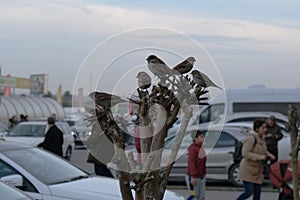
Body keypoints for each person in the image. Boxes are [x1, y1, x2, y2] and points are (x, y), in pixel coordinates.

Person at [236, 119, 275, 200]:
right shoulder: (251, 138)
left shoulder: (262, 139)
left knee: (257, 192)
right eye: (263, 128)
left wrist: (269, 155)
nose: (265, 130)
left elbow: (264, 150)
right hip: (248, 169)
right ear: (257, 129)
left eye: (265, 128)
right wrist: (260, 157)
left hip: (257, 170)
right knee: (249, 192)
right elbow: (245, 153)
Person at [186, 130, 206, 200]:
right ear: (195, 138)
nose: (203, 138)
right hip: (194, 177)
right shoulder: (193, 149)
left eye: (203, 136)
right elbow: (191, 163)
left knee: (202, 196)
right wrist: (194, 176)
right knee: (193, 195)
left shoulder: (200, 148)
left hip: (201, 176)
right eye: (201, 137)